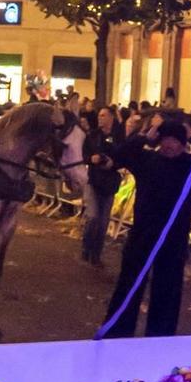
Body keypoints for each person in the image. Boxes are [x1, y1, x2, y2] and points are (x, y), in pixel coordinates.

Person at [102, 116, 191, 336]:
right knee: (129, 284)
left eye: (175, 141)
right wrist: (146, 135)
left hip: (173, 239)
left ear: (183, 144)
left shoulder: (189, 166)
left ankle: (160, 335)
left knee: (167, 289)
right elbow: (121, 155)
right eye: (166, 139)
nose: (169, 145)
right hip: (143, 234)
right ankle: (118, 331)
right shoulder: (146, 160)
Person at [80, 105, 123, 267]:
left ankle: (96, 254)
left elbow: (122, 155)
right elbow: (83, 155)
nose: (100, 118)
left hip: (109, 183)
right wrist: (91, 159)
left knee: (103, 222)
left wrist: (113, 163)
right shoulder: (92, 136)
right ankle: (86, 247)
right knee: (92, 217)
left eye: (104, 115)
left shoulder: (118, 136)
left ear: (111, 117)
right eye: (99, 115)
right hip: (93, 181)